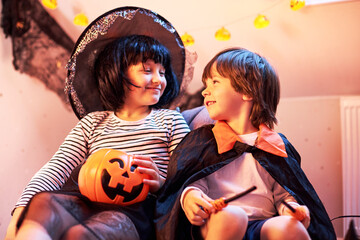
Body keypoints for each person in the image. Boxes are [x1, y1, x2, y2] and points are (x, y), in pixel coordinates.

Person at [5, 7, 190, 240]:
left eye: (162, 72)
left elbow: (188, 176)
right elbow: (56, 168)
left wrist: (162, 182)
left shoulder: (170, 120)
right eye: (147, 70)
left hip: (136, 212)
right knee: (44, 203)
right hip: (88, 201)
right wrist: (21, 210)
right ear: (117, 73)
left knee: (83, 233)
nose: (158, 79)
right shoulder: (93, 123)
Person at [155, 48, 336, 240]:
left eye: (215, 82)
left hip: (262, 225)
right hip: (216, 222)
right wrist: (190, 197)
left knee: (287, 227)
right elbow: (190, 182)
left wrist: (292, 209)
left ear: (247, 91)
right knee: (233, 216)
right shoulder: (203, 141)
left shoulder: (275, 145)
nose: (206, 91)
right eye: (206, 84)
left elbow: (284, 195)